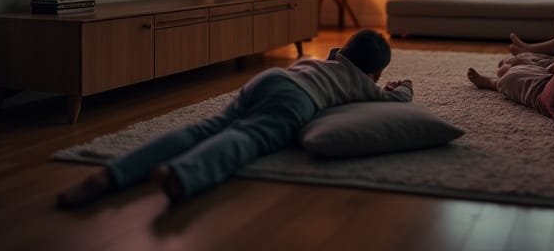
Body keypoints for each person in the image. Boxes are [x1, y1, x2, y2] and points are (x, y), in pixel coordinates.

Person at [56, 29, 412, 208]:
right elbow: (396, 100)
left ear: (343, 51)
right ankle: (184, 174)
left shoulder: (328, 59)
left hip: (272, 78)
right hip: (297, 101)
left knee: (205, 128)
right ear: (375, 74)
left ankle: (111, 174)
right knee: (249, 138)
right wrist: (404, 85)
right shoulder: (364, 84)